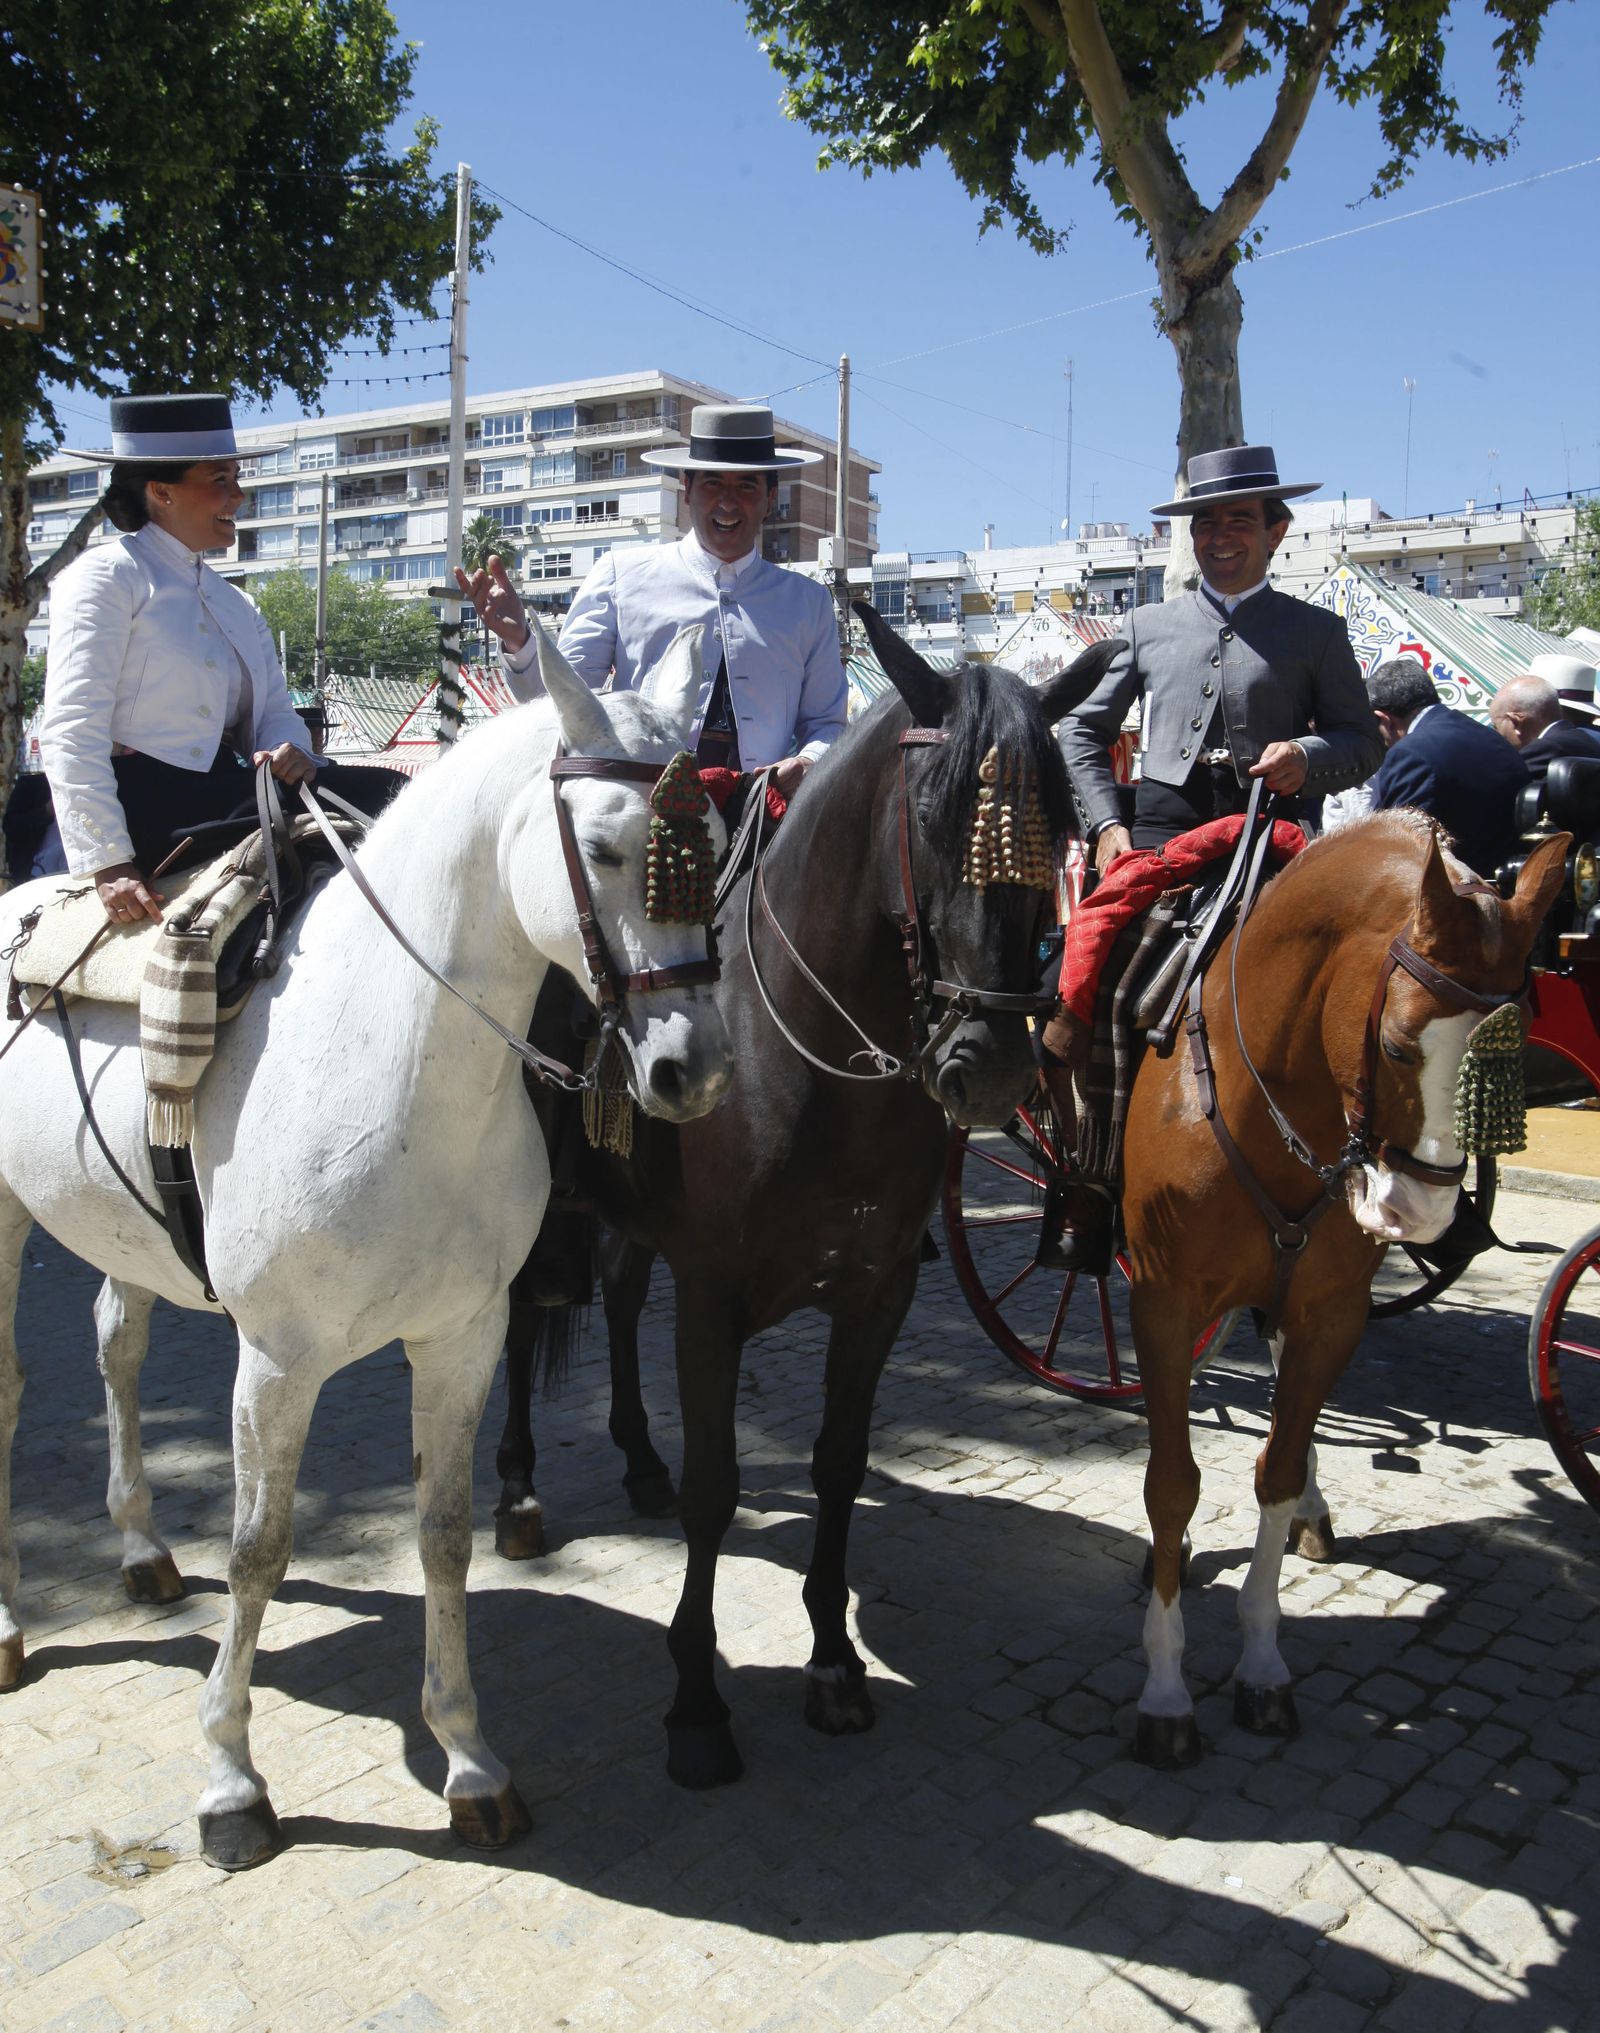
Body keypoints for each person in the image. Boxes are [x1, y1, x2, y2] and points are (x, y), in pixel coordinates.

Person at [36, 392, 408, 925]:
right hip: (144, 807)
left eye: (237, 479)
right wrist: (108, 861)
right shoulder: (104, 577)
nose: (239, 496)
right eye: (220, 481)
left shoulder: (237, 603)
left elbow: (276, 713)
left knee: (393, 790)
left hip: (225, 792)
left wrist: (289, 748)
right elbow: (71, 727)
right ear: (160, 491)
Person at [458, 404, 848, 801]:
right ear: (687, 489)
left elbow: (828, 723)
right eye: (713, 483)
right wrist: (521, 642)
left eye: (746, 486)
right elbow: (563, 704)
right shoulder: (621, 576)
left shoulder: (807, 602)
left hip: (764, 820)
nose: (728, 503)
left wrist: (809, 761)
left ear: (770, 499)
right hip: (644, 814)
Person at [1060, 445, 1383, 873]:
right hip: (1160, 836)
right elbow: (1080, 727)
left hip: (1271, 835)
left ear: (1276, 532)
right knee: (1093, 936)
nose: (1220, 537)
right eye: (1206, 524)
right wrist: (1107, 823)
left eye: (1240, 521)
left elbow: (1362, 742)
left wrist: (1305, 757)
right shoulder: (1144, 625)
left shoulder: (1317, 631)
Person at [1365, 657, 1529, 877]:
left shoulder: (1409, 753)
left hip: (1454, 899)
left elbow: (1399, 849)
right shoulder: (1494, 739)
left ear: (1383, 719)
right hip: (1507, 888)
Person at [1489, 672, 1600, 785]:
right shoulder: (1585, 738)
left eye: (1495, 726)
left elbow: (1498, 788)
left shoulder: (1542, 750)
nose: (1496, 733)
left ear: (1516, 722)